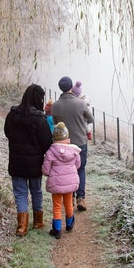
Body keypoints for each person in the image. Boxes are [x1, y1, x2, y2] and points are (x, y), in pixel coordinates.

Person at [3, 84, 52, 237]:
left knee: (20, 193)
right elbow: (46, 143)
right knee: (36, 190)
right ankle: (38, 221)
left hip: (16, 161)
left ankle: (21, 226)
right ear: (38, 99)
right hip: (34, 164)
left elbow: (7, 133)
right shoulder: (39, 119)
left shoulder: (12, 115)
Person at [51, 76, 94, 211]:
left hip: (64, 144)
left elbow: (55, 122)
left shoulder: (56, 105)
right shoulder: (80, 103)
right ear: (71, 87)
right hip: (80, 142)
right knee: (80, 169)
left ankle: (70, 198)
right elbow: (91, 119)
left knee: (68, 169)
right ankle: (80, 197)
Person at [41, 122, 81, 239]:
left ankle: (57, 229)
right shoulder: (74, 151)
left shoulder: (50, 152)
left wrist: (48, 173)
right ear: (67, 137)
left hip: (56, 184)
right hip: (69, 183)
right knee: (68, 203)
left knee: (57, 205)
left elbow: (46, 170)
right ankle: (69, 224)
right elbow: (78, 165)